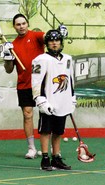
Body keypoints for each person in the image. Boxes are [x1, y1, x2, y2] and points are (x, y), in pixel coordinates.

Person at [31, 29, 76, 171]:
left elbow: (71, 80)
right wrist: (40, 99)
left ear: (61, 42)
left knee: (58, 131)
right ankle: (45, 159)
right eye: (51, 41)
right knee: (46, 131)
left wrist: (72, 97)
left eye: (57, 40)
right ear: (47, 43)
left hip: (63, 100)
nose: (54, 43)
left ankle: (56, 157)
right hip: (48, 101)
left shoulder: (68, 59)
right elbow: (36, 81)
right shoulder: (40, 59)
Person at [3, 14, 46, 159]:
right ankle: (32, 148)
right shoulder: (13, 45)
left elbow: (50, 38)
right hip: (24, 84)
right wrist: (8, 55)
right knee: (27, 115)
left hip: (42, 83)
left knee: (46, 114)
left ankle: (46, 147)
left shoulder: (36, 36)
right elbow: (9, 69)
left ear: (27, 24)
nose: (21, 26)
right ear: (14, 26)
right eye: (18, 24)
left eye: (23, 23)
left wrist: (59, 33)